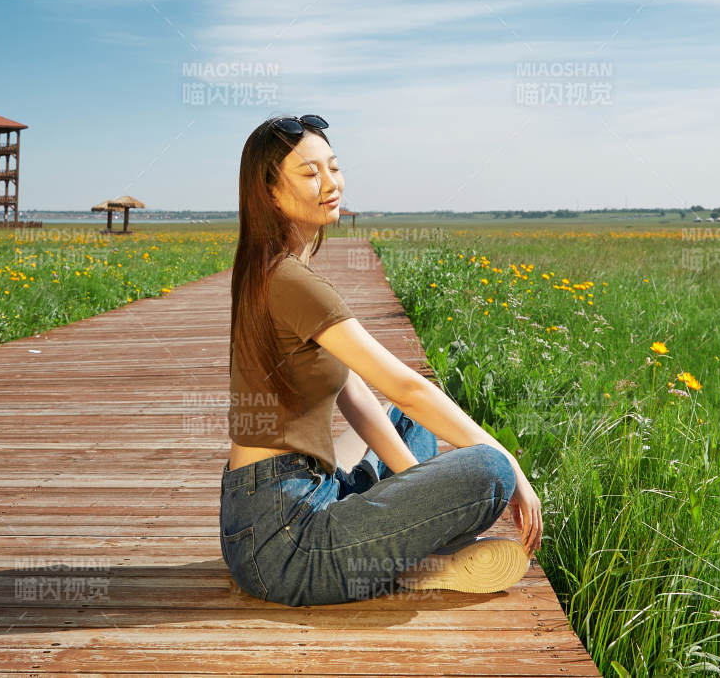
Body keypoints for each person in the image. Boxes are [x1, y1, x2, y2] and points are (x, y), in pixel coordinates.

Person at [220, 113, 543, 606]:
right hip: (285, 546)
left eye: (333, 167)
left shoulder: (270, 269)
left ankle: (419, 546)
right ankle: (422, 556)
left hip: (274, 510)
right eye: (309, 174)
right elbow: (407, 386)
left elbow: (360, 400)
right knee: (488, 471)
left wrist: (424, 500)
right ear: (269, 192)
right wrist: (511, 466)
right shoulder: (289, 280)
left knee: (407, 423)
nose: (330, 183)